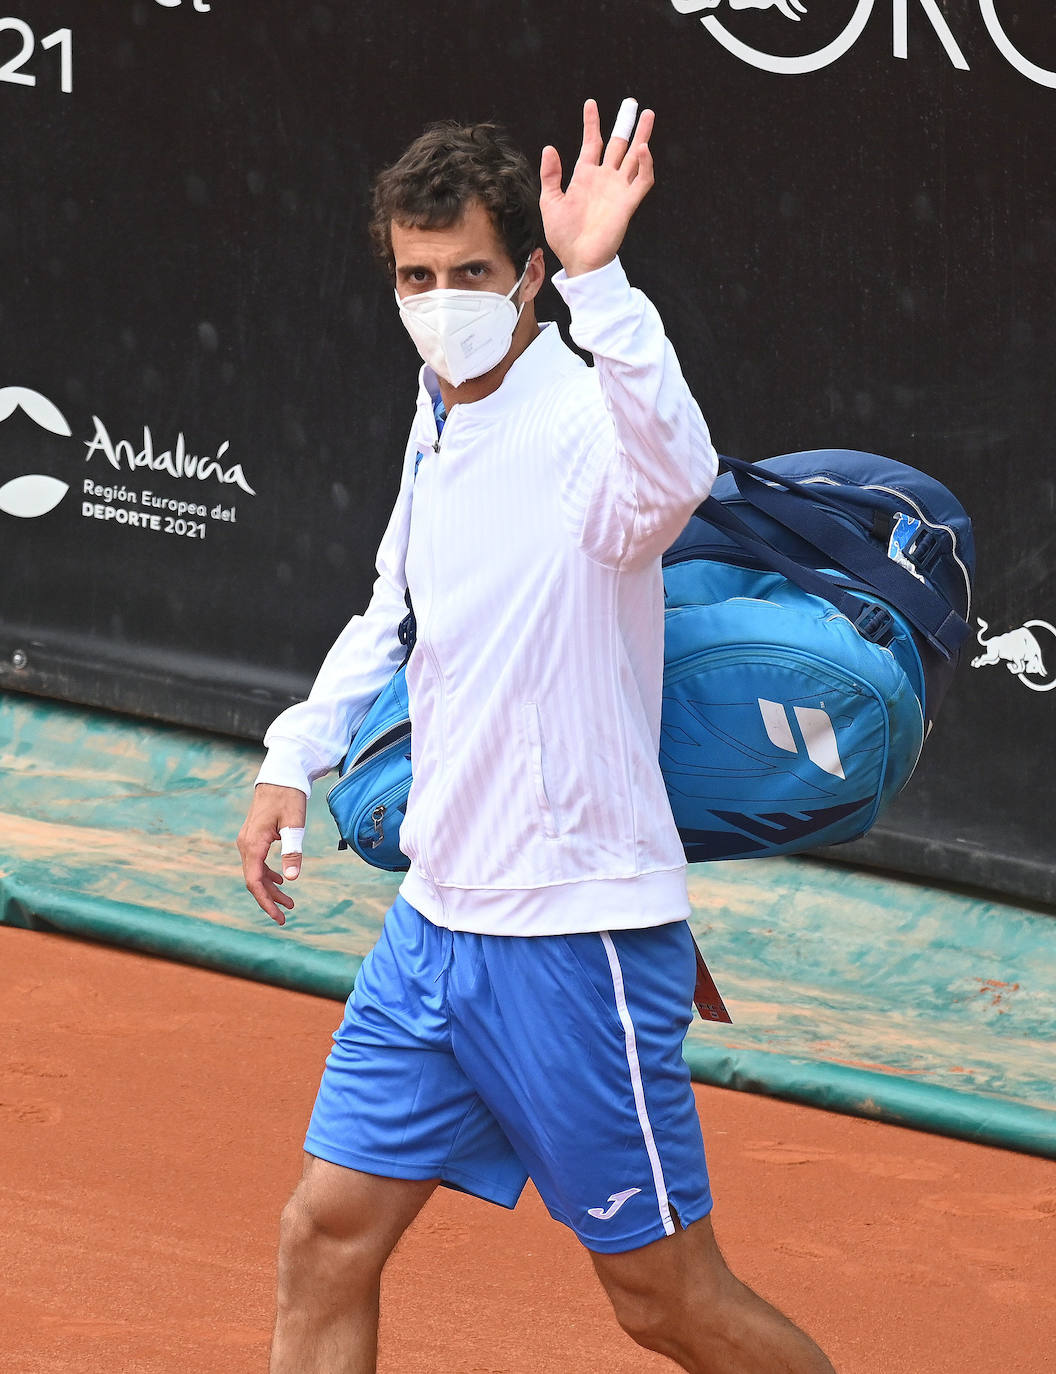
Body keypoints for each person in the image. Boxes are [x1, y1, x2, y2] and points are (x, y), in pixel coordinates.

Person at [237, 99, 836, 1374]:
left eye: (470, 274)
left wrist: (605, 279)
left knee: (666, 1301)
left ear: (527, 280)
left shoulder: (588, 426)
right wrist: (295, 756)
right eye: (416, 275)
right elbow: (396, 609)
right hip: (436, 928)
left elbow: (677, 469)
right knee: (326, 1235)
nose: (440, 300)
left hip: (576, 942)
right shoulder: (438, 405)